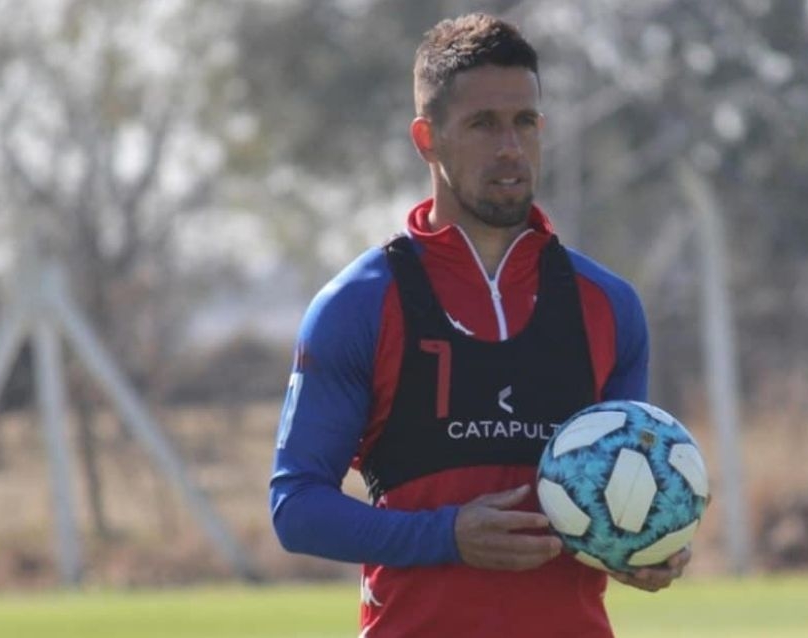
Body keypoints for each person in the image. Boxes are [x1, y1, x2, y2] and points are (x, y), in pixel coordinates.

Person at [270, 12, 691, 637]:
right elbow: (297, 507)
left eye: (525, 121)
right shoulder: (359, 304)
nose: (510, 148)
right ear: (427, 138)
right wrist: (447, 535)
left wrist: (644, 545)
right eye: (482, 124)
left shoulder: (608, 305)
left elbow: (623, 486)